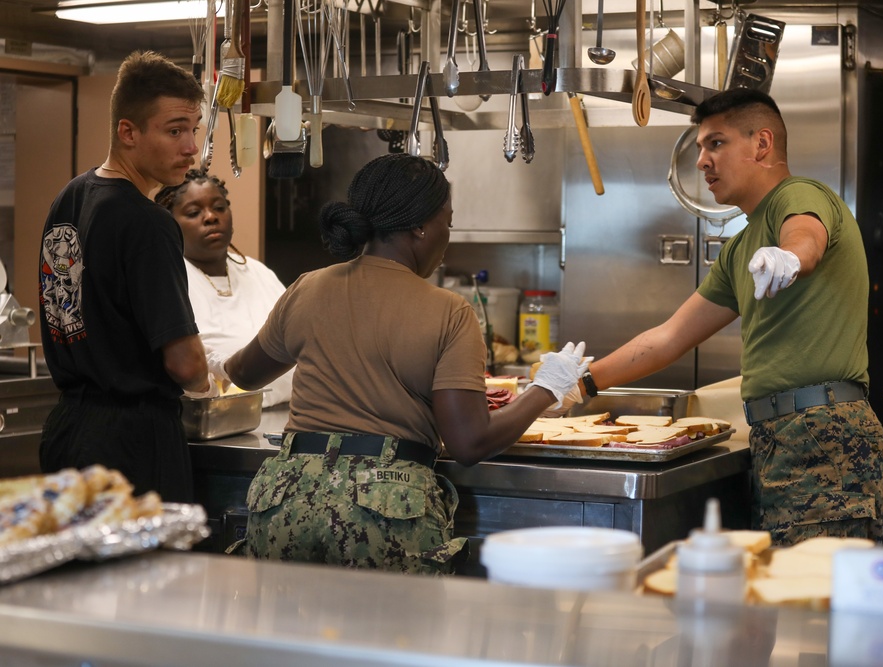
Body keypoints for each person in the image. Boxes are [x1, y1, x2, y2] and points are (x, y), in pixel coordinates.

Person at [220, 153, 588, 574]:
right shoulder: (449, 311)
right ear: (420, 227)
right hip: (384, 510)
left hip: (285, 502)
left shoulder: (309, 287)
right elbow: (469, 442)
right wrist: (546, 389)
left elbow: (243, 375)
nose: (447, 237)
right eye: (447, 223)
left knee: (286, 635)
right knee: (390, 636)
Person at [580, 88, 883, 547]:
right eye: (701, 147)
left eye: (716, 143)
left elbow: (806, 237)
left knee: (810, 606)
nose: (702, 160)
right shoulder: (742, 250)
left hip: (825, 437)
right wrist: (581, 383)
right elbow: (669, 338)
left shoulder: (800, 195)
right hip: (777, 439)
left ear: (761, 144)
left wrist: (791, 258)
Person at [37, 51, 218, 503]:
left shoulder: (70, 197)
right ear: (128, 132)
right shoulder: (148, 222)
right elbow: (186, 364)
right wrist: (207, 384)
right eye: (175, 130)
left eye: (193, 130)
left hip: (67, 431)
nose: (191, 147)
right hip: (131, 443)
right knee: (146, 575)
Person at [155, 169, 293, 407]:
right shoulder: (168, 279)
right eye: (194, 212)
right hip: (218, 423)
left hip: (286, 413)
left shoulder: (257, 271)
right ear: (169, 223)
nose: (211, 217)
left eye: (219, 207)